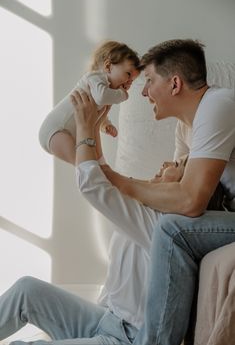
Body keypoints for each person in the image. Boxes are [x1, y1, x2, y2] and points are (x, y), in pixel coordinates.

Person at [0, 83, 195, 344]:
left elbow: (93, 184)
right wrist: (95, 125)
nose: (167, 162)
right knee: (26, 290)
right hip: (105, 318)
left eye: (178, 165)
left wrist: (84, 127)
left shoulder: (161, 223)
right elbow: (104, 175)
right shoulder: (143, 206)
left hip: (127, 339)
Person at [100, 39, 235, 345]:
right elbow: (173, 194)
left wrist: (121, 182)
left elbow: (190, 201)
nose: (144, 92)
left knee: (172, 229)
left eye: (148, 81)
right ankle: (123, 319)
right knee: (156, 219)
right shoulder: (185, 127)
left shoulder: (218, 105)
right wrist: (166, 180)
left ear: (175, 84)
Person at [38, 40, 140, 165]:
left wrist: (104, 124)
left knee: (90, 163)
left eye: (132, 80)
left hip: (68, 133)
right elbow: (101, 98)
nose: (129, 82)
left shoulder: (105, 88)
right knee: (84, 165)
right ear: (108, 66)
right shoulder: (93, 77)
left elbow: (96, 111)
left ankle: (100, 174)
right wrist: (123, 94)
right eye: (128, 74)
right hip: (55, 131)